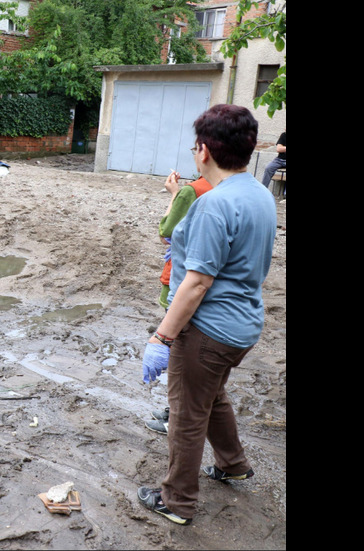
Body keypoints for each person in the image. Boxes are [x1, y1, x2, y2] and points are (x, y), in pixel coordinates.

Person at [137, 104, 277, 526]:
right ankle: (233, 464)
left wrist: (162, 338)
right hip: (242, 327)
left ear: (202, 151)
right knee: (212, 395)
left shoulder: (214, 205)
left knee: (185, 413)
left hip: (208, 332)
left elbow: (197, 283)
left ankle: (177, 500)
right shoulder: (260, 195)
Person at [145, 171, 213, 436]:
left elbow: (165, 233)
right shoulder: (235, 191)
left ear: (205, 151)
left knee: (180, 354)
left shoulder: (192, 191)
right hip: (209, 288)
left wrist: (174, 193)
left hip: (181, 282)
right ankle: (174, 411)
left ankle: (175, 417)